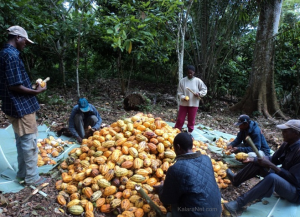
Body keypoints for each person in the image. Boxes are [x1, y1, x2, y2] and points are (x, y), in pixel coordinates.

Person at [0, 26, 49, 185]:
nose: (25, 44)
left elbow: (13, 82)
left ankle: (22, 173)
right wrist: (36, 92)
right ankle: (33, 178)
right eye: (25, 41)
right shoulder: (12, 56)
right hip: (20, 106)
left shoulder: (4, 54)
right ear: (17, 38)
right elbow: (14, 85)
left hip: (12, 104)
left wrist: (32, 88)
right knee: (29, 141)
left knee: (21, 141)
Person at [225, 120, 300, 216]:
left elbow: (295, 180)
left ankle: (238, 203)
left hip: (295, 192)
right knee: (258, 161)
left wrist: (270, 165)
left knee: (273, 178)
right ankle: (236, 180)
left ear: (296, 133)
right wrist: (254, 159)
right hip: (285, 178)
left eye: (285, 131)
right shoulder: (286, 144)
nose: (282, 133)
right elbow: (273, 159)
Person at [154, 133, 222, 217]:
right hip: (216, 211)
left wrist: (161, 189)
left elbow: (167, 199)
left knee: (175, 203)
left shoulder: (176, 168)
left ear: (178, 147)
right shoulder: (206, 159)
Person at [175, 65, 207, 135]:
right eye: (188, 73)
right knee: (180, 119)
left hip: (194, 104)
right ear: (186, 72)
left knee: (191, 120)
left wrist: (199, 93)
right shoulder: (182, 81)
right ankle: (177, 131)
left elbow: (204, 89)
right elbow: (179, 92)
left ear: (194, 72)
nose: (190, 74)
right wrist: (183, 97)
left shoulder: (198, 81)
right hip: (184, 103)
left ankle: (190, 132)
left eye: (191, 73)